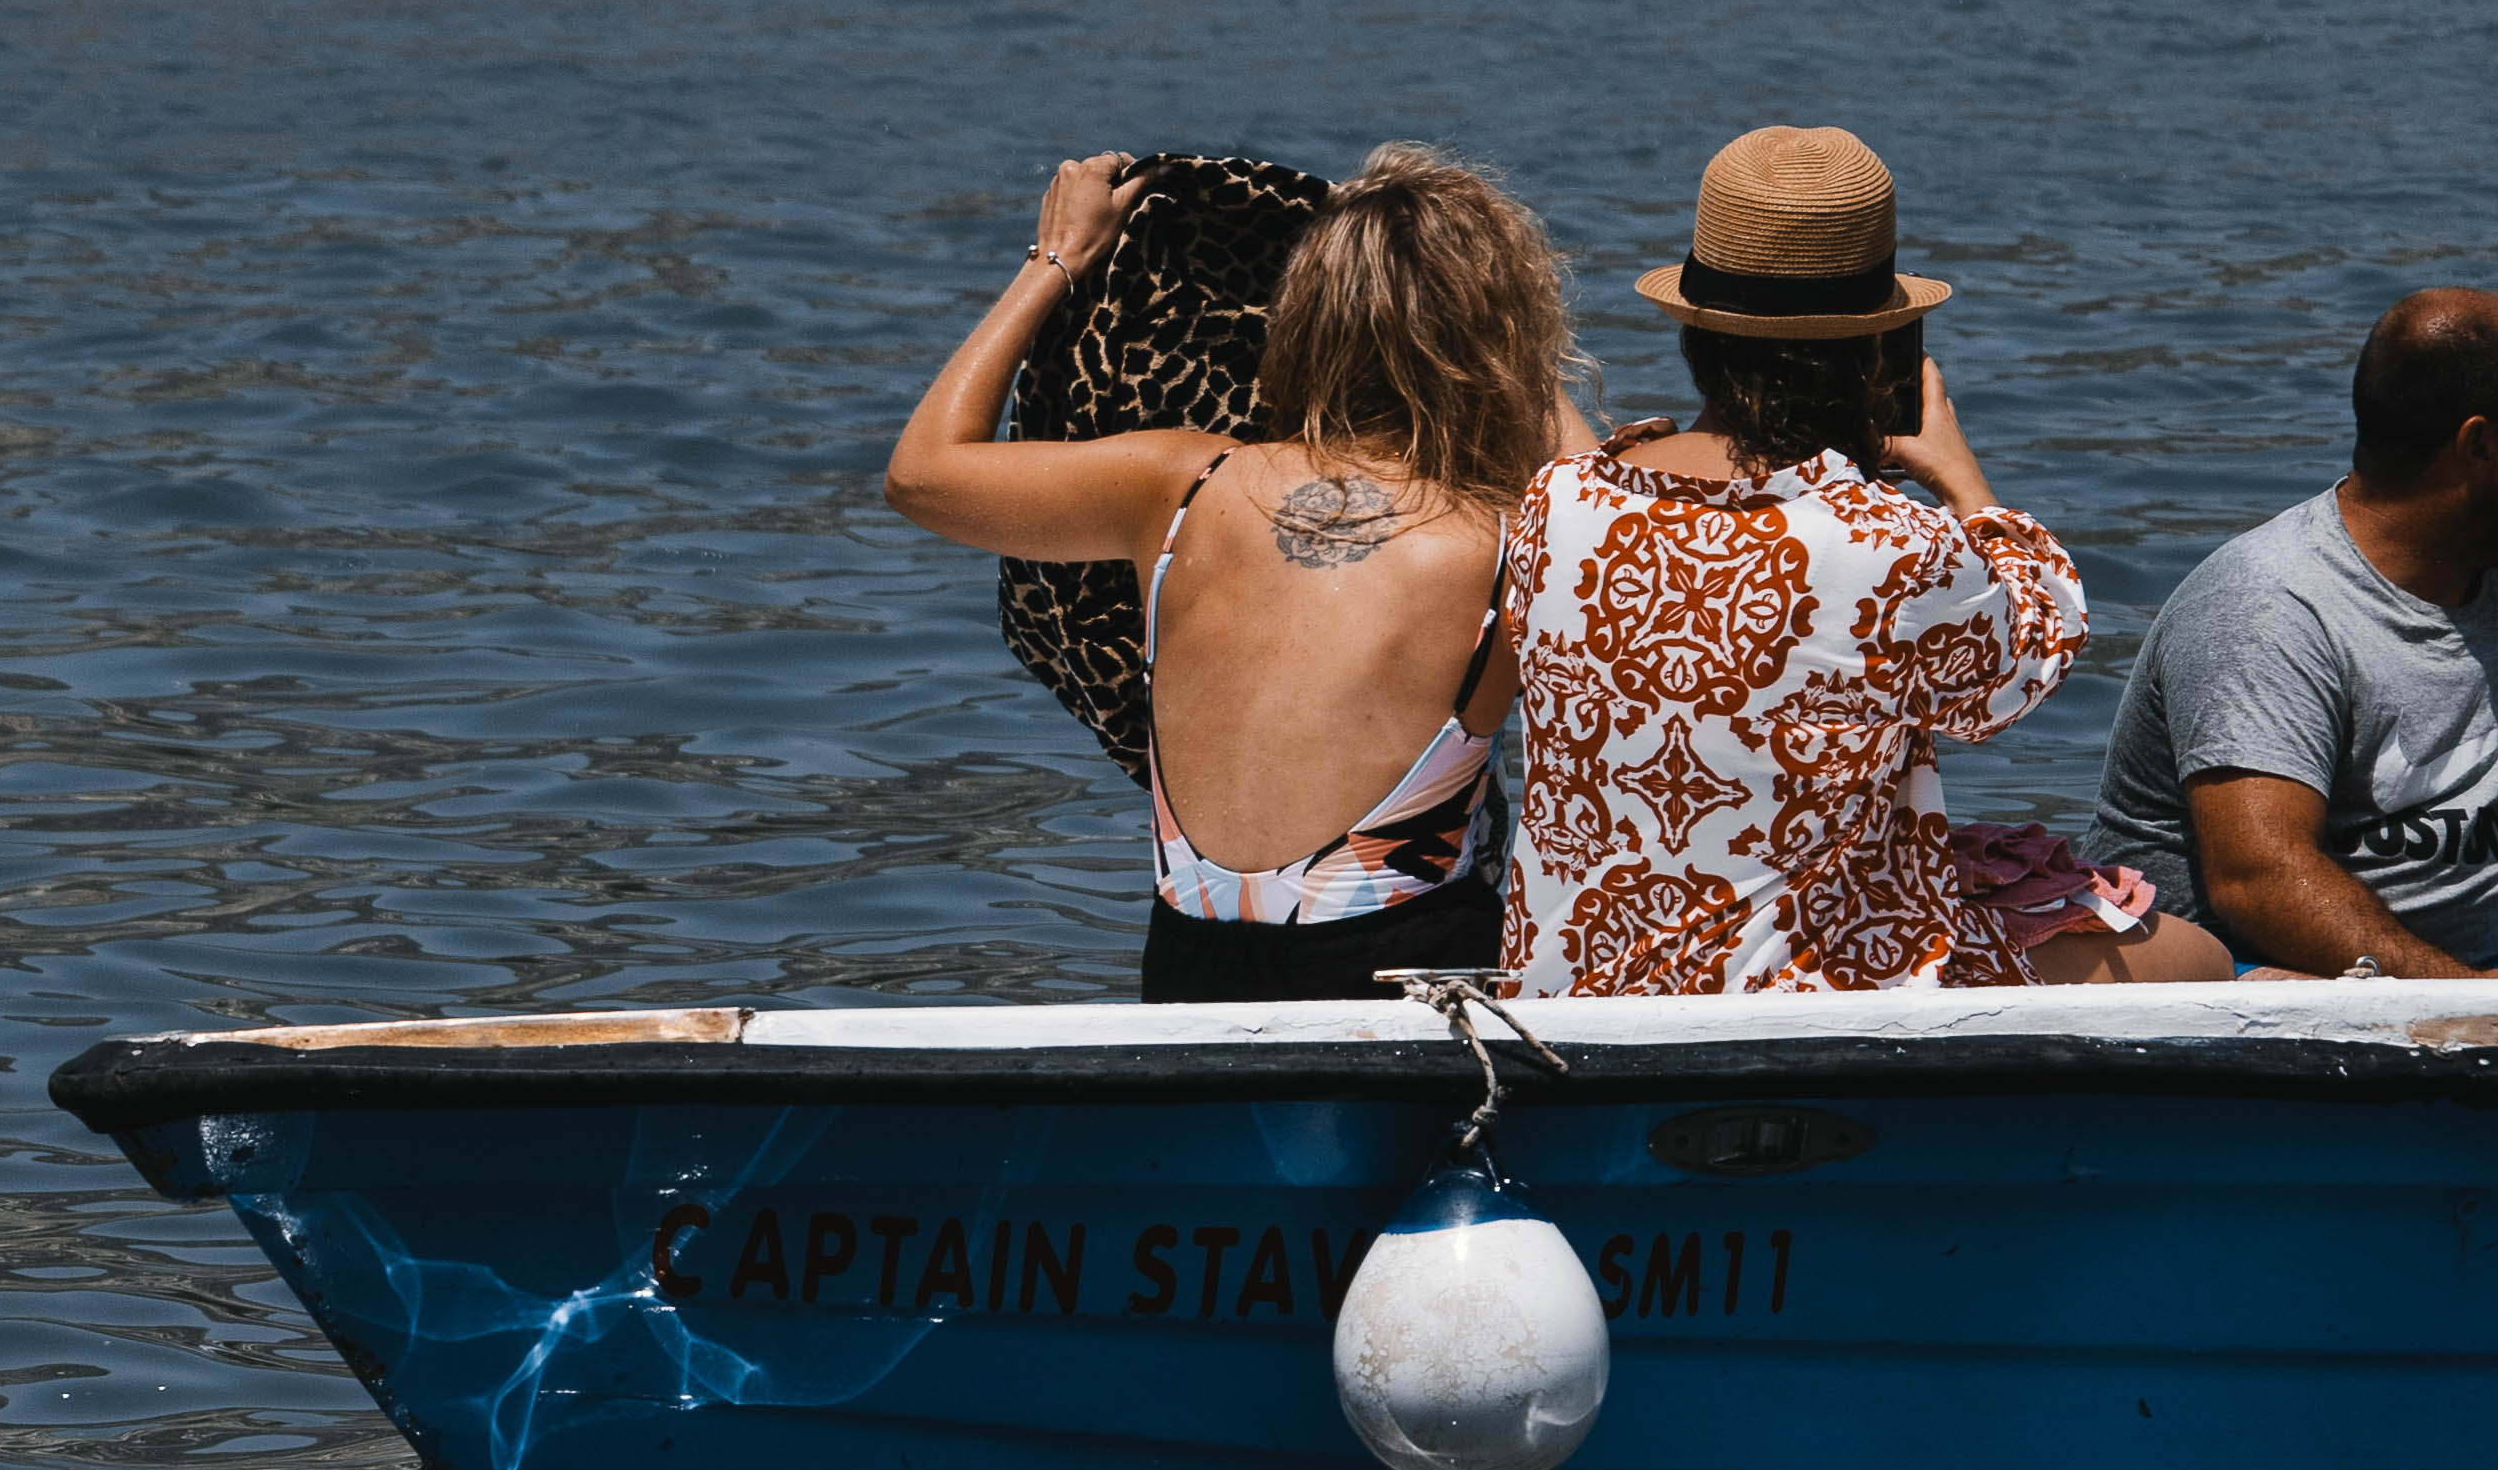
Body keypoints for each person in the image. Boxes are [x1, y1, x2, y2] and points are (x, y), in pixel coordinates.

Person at [1499, 127, 2217, 997]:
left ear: (1696, 333)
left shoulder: (1558, 501)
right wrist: (1964, 482)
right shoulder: (1888, 544)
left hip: (1568, 981)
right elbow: (2017, 672)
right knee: (2196, 960)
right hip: (1794, 990)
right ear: (1878, 352)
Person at [888, 143, 1559, 1002]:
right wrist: (1515, 362)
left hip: (1187, 965)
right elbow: (1588, 477)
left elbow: (920, 475)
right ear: (1501, 338)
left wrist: (1056, 261)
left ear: (1296, 318)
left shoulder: (1178, 487)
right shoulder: (1513, 533)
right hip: (1404, 971)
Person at [2093, 288, 2498, 978]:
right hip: (2236, 976)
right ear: (2478, 445)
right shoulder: (2270, 604)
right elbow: (2258, 882)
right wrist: (2469, 1000)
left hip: (2460, 973)